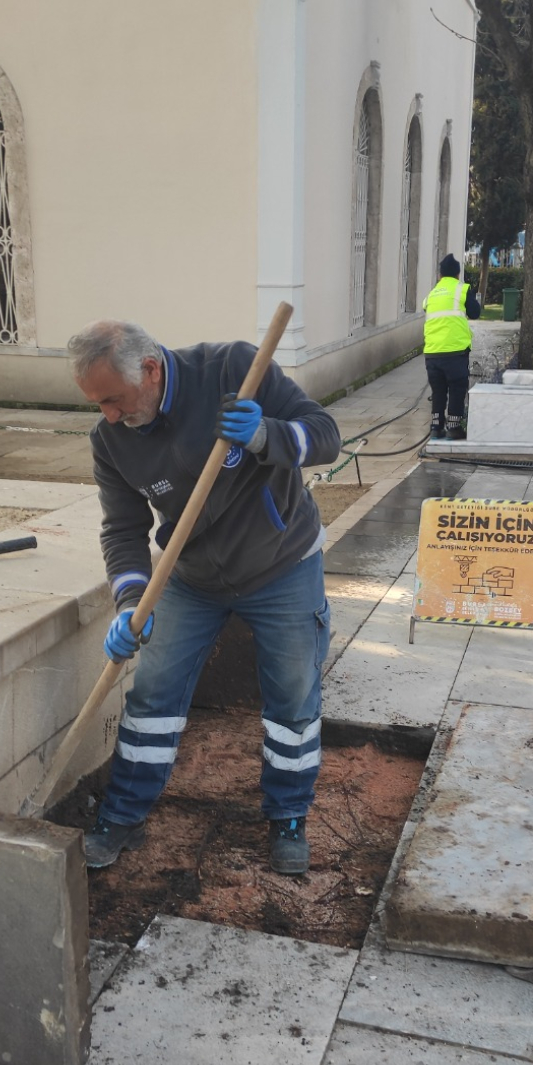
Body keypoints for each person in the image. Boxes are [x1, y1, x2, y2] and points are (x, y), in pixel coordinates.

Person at [68, 320, 342, 876]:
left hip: (281, 563)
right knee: (153, 693)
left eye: (113, 400)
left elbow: (326, 436)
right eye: (98, 404)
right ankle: (123, 814)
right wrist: (131, 602)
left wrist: (266, 435)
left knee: (293, 697)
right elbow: (122, 530)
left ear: (149, 370)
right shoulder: (111, 440)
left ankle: (288, 815)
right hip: (192, 576)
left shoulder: (233, 370)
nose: (109, 415)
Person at [422, 254, 481, 441]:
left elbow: (426, 308)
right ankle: (453, 428)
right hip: (455, 351)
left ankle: (435, 428)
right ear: (457, 274)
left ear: (440, 275)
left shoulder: (432, 294)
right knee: (457, 388)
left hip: (432, 353)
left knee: (438, 391)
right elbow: (475, 313)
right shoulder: (462, 289)